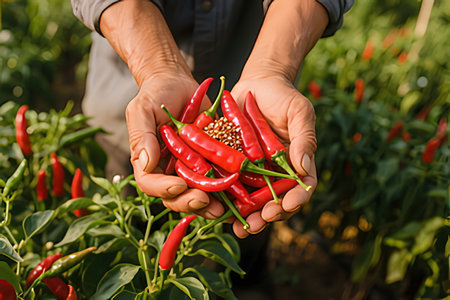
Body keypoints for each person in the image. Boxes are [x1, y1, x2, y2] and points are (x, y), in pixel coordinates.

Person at [71, 0, 352, 239]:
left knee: (249, 233)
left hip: (262, 75)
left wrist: (272, 68)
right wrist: (158, 67)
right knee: (124, 212)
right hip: (127, 88)